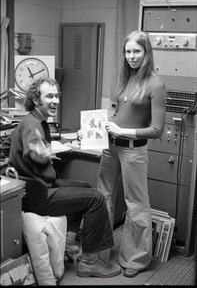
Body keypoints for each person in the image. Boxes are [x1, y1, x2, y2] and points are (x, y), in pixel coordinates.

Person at [1, 77, 121, 278]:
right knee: (97, 198)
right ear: (36, 99)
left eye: (57, 95)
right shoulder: (32, 125)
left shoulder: (30, 121)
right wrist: (42, 152)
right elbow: (34, 151)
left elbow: (6, 144)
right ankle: (90, 263)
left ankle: (66, 240)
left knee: (85, 186)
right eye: (49, 96)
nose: (55, 100)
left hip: (38, 187)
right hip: (39, 195)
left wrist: (30, 153)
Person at [94, 31, 166, 277]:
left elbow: (157, 130)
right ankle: (100, 253)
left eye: (137, 51)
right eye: (128, 51)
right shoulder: (124, 79)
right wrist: (97, 127)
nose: (132, 56)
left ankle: (135, 260)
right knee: (102, 198)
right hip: (110, 146)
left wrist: (124, 131)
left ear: (147, 53)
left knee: (135, 203)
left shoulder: (155, 84)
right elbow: (115, 113)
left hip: (133, 150)